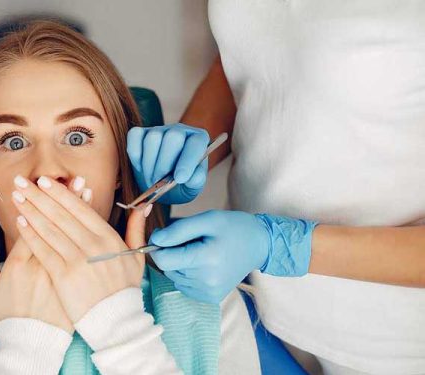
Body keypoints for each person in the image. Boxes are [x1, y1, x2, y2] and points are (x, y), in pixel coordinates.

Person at [0, 20, 260, 375]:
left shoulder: (214, 309)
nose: (48, 169)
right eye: (14, 141)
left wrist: (122, 328)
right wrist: (22, 347)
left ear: (120, 166)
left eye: (77, 136)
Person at [128, 1, 425, 373]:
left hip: (387, 349)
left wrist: (284, 246)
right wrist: (195, 147)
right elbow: (255, 51)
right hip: (254, 311)